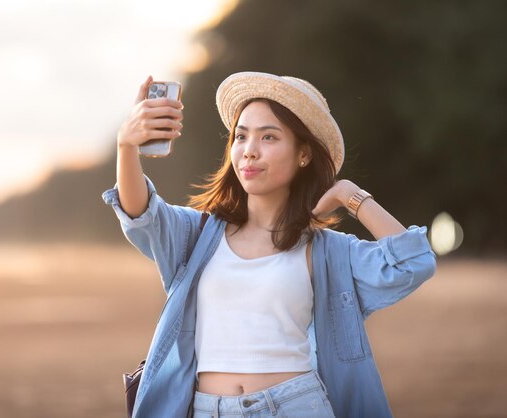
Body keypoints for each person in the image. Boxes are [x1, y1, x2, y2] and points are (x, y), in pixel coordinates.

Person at [102, 72, 436, 418]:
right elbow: (140, 212)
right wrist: (126, 146)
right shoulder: (197, 234)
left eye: (269, 137)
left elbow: (413, 261)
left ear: (303, 154)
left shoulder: (324, 250)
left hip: (296, 406)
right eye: (241, 136)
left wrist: (350, 195)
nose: (250, 151)